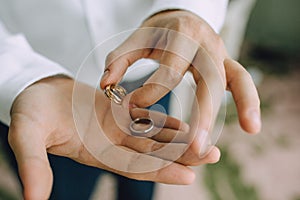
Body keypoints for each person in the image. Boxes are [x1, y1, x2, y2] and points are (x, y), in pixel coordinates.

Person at [0, 0, 261, 199]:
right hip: (44, 91)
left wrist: (187, 10)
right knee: (64, 190)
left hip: (153, 72)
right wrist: (19, 75)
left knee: (146, 174)